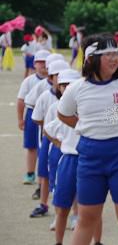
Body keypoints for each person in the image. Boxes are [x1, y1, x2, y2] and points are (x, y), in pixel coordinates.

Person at [57, 33, 118, 245]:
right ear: (91, 59)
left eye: (115, 53)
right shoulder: (76, 88)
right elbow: (63, 113)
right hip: (90, 157)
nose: (114, 58)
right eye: (107, 54)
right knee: (87, 218)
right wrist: (83, 126)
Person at [44, 69, 104, 245]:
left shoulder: (90, 107)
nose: (68, 88)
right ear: (59, 87)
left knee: (94, 208)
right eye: (64, 85)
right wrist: (58, 143)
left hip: (90, 159)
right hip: (69, 159)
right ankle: (59, 242)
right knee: (62, 207)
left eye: (71, 84)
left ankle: (98, 241)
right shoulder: (60, 109)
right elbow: (48, 129)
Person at [29, 59, 70, 219]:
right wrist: (48, 130)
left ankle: (72, 212)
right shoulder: (46, 97)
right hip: (49, 140)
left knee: (67, 178)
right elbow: (37, 118)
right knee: (46, 174)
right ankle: (43, 203)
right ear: (51, 78)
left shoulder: (76, 98)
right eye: (57, 76)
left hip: (68, 142)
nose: (61, 80)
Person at [16, 49, 50, 186]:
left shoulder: (55, 81)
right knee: (31, 146)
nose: (42, 65)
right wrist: (20, 119)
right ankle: (30, 173)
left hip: (49, 115)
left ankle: (47, 175)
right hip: (32, 113)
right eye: (39, 62)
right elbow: (20, 100)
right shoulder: (29, 81)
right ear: (34, 64)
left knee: (48, 146)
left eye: (45, 63)